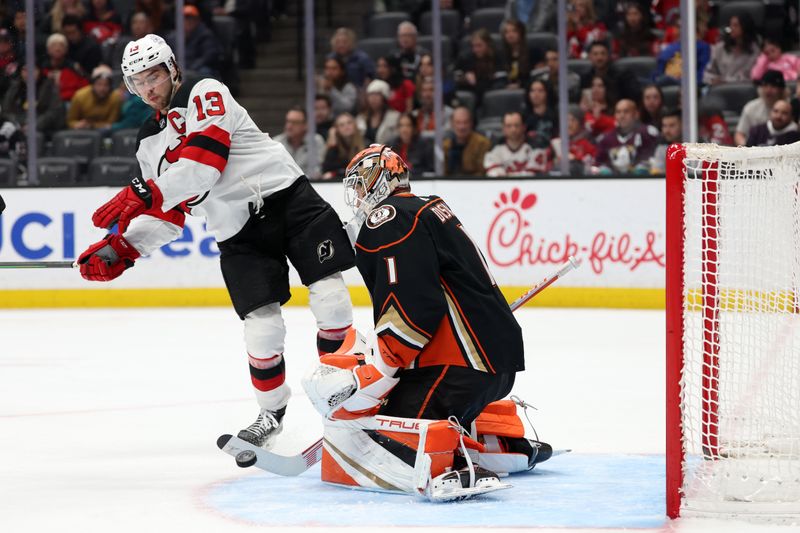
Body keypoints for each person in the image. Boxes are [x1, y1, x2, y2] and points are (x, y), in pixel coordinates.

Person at [76, 34, 356, 451]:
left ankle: (345, 403)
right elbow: (170, 214)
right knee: (261, 330)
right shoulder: (147, 142)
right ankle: (270, 414)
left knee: (330, 296)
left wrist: (143, 190)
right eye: (138, 82)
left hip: (288, 199)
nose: (148, 88)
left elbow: (202, 168)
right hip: (235, 229)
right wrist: (124, 248)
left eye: (153, 75)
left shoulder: (206, 93)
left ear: (172, 69)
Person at [300, 144, 550, 499]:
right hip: (492, 364)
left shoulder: (387, 217)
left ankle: (454, 462)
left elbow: (413, 307)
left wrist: (381, 366)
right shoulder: (428, 207)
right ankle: (499, 441)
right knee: (413, 403)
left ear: (378, 177)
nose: (356, 196)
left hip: (460, 365)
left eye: (359, 185)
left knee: (385, 429)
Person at [595, 98, 658, 174]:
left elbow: (655, 160)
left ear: (636, 114)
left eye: (626, 111)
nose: (622, 115)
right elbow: (599, 164)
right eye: (618, 112)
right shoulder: (606, 138)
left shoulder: (647, 133)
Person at [2, 64, 66, 136]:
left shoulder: (49, 86)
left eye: (33, 69)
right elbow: (6, 111)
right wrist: (17, 124)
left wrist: (34, 125)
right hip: (18, 127)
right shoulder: (15, 87)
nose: (28, 73)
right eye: (25, 70)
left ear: (39, 71)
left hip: (44, 129)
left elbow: (54, 112)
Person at [485, 111, 548, 176]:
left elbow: (534, 175)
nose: (513, 130)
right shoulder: (495, 148)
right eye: (509, 126)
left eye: (516, 125)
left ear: (524, 127)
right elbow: (493, 174)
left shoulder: (536, 147)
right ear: (503, 128)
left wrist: (507, 175)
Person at [703, 13, 759, 86]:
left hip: (743, 90)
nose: (731, 28)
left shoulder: (754, 50)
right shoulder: (720, 48)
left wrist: (727, 81)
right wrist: (712, 79)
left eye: (735, 25)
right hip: (720, 89)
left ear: (745, 27)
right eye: (730, 25)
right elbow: (707, 73)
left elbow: (752, 77)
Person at [454, 29, 508, 104]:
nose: (475, 50)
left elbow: (502, 81)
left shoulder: (497, 57)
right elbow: (454, 77)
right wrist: (464, 78)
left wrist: (481, 85)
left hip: (492, 97)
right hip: (473, 97)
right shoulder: (465, 58)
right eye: (473, 46)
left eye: (479, 45)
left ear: (488, 44)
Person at [735, 69, 787, 146]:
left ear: (781, 89)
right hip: (755, 150)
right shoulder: (751, 108)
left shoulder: (789, 106)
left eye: (773, 86)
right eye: (765, 85)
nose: (768, 90)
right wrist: (746, 149)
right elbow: (739, 134)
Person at [273, 106, 326, 179]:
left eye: (294, 122)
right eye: (288, 121)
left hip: (309, 185)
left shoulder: (316, 141)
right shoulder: (276, 142)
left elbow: (317, 170)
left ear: (305, 125)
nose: (289, 126)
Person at [169, 5, 221, 78]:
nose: (188, 21)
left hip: (198, 68)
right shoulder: (173, 36)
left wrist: (192, 67)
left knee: (205, 71)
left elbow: (209, 56)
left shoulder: (205, 35)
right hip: (180, 68)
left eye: (191, 18)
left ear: (197, 20)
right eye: (185, 19)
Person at [67, 65, 122, 129]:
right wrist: (76, 125)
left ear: (110, 86)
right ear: (93, 84)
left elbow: (112, 123)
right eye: (99, 84)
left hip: (106, 132)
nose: (102, 88)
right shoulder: (79, 96)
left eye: (106, 85)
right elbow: (70, 121)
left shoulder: (115, 98)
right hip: (81, 131)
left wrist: (92, 125)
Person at [442, 106, 491, 176]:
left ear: (471, 123)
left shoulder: (482, 143)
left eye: (465, 122)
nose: (462, 127)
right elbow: (442, 172)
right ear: (452, 124)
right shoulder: (445, 145)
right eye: (458, 122)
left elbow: (482, 172)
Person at [42, 32, 89, 102]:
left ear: (66, 49)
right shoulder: (42, 68)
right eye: (54, 45)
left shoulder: (74, 68)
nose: (57, 49)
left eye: (61, 45)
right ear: (48, 49)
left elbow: (85, 87)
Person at [550, 104, 597, 174]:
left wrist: (574, 159)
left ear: (580, 123)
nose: (569, 124)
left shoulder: (588, 142)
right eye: (566, 120)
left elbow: (592, 166)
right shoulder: (556, 142)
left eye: (573, 120)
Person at [356, 79, 401, 145]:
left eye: (377, 95)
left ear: (384, 97)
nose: (373, 98)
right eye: (370, 95)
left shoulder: (395, 117)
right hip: (365, 153)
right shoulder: (361, 117)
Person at [321, 112, 365, 178]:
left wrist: (336, 173)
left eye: (349, 123)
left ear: (355, 125)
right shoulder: (335, 148)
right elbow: (326, 170)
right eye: (342, 125)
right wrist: (332, 140)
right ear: (337, 130)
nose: (346, 126)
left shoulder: (365, 144)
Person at [389, 112, 433, 176]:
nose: (404, 129)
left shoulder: (424, 145)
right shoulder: (392, 145)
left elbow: (429, 170)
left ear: (414, 128)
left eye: (408, 125)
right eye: (401, 125)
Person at [499, 19, 537, 89]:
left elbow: (536, 77)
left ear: (521, 33)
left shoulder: (533, 52)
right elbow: (499, 77)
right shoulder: (500, 54)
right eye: (506, 32)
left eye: (514, 31)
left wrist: (521, 85)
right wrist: (505, 86)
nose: (510, 35)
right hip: (506, 89)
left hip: (528, 88)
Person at [523, 79, 557, 150]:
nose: (536, 94)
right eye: (532, 91)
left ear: (547, 93)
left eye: (540, 91)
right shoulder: (523, 116)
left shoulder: (556, 115)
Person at [650, 107, 681, 173]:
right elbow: (658, 173)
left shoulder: (697, 146)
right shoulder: (661, 148)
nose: (667, 131)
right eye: (664, 126)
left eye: (672, 125)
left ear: (683, 125)